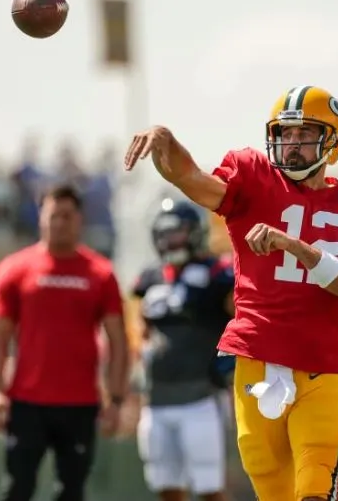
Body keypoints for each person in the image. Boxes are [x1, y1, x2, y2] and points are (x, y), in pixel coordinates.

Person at [123, 85, 338, 501]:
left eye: (304, 135)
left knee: (314, 489)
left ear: (331, 140)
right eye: (284, 135)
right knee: (272, 491)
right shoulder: (253, 176)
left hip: (321, 365)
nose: (291, 145)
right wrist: (168, 146)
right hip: (255, 358)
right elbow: (193, 180)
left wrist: (294, 246)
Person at [0, 183, 130, 501]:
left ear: (79, 219)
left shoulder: (100, 274)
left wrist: (116, 400)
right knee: (17, 489)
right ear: (41, 217)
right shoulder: (14, 270)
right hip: (26, 402)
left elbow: (118, 341)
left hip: (79, 405)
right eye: (53, 215)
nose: (59, 222)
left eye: (67, 215)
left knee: (71, 492)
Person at [132, 198, 234, 501]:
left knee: (209, 488)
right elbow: (142, 331)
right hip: (157, 399)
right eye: (164, 233)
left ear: (194, 232)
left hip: (201, 397)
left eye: (177, 231)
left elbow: (241, 314)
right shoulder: (149, 277)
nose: (170, 239)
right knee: (166, 487)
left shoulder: (217, 273)